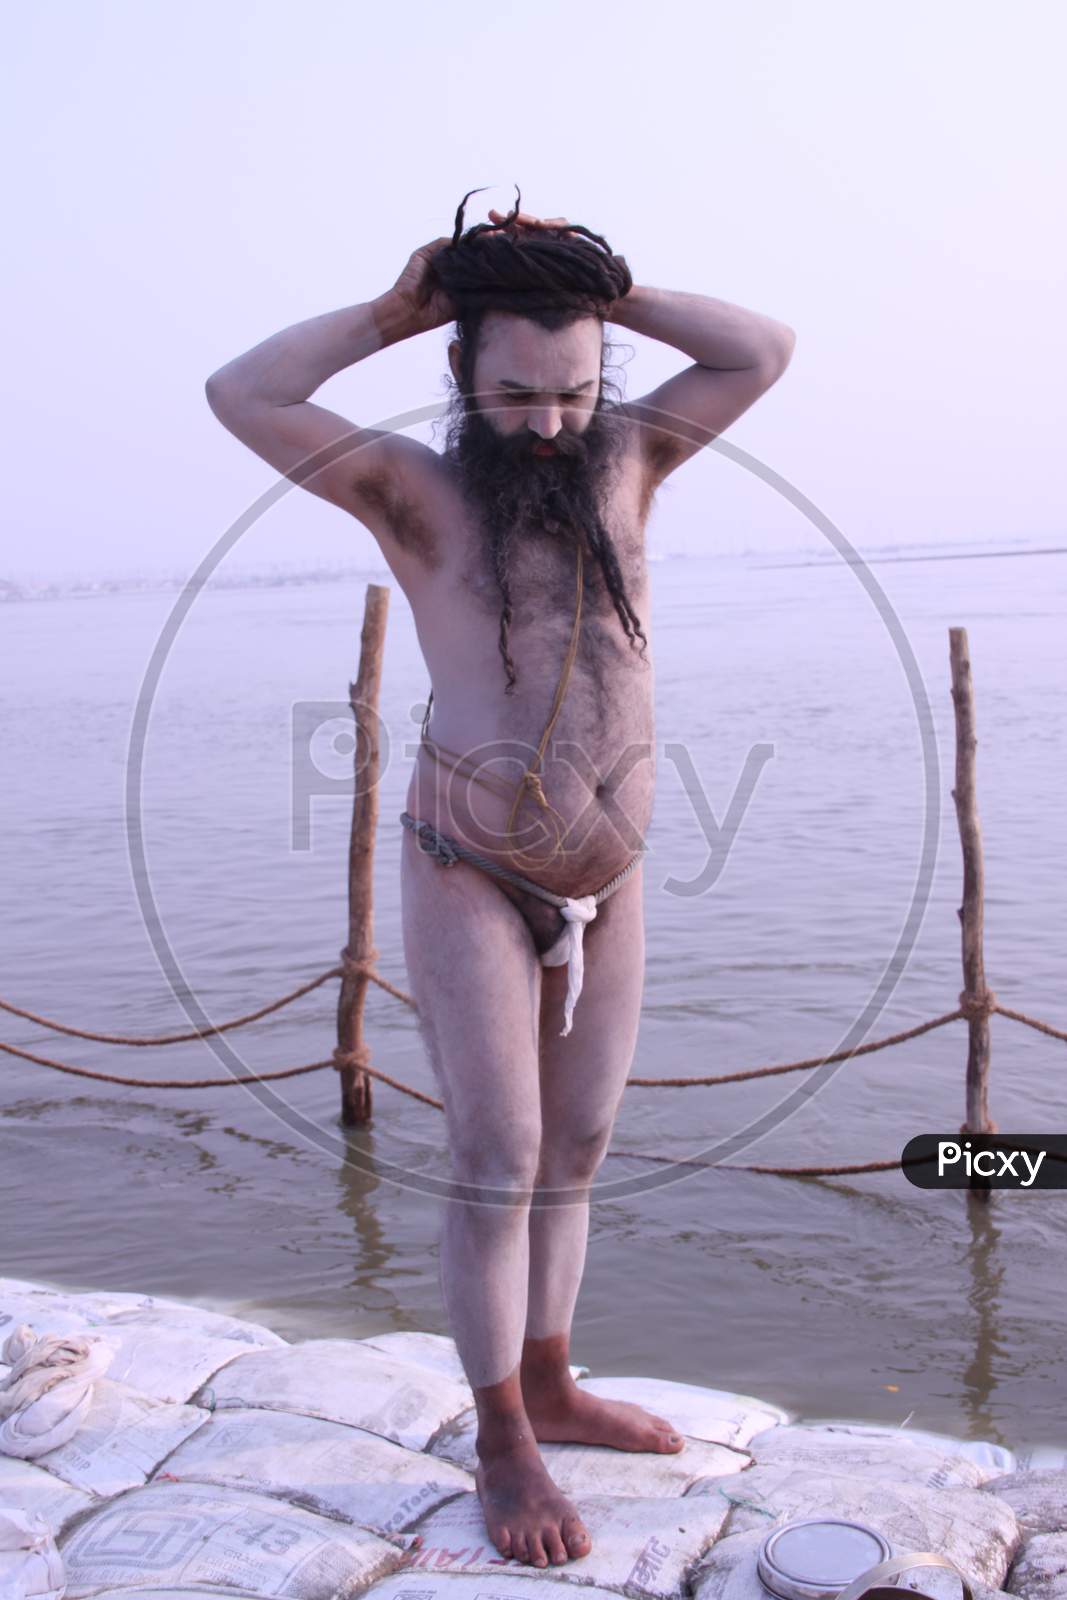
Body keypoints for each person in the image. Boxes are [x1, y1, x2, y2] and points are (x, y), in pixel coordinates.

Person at [205, 190, 795, 1570]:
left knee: (579, 1149)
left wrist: (600, 288)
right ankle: (499, 1437)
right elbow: (242, 391)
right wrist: (396, 308)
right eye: (516, 392)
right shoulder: (414, 494)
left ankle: (553, 1379)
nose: (547, 422)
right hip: (471, 864)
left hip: (614, 875)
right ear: (463, 374)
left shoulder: (634, 460)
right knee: (498, 1159)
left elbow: (760, 349)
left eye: (574, 390)